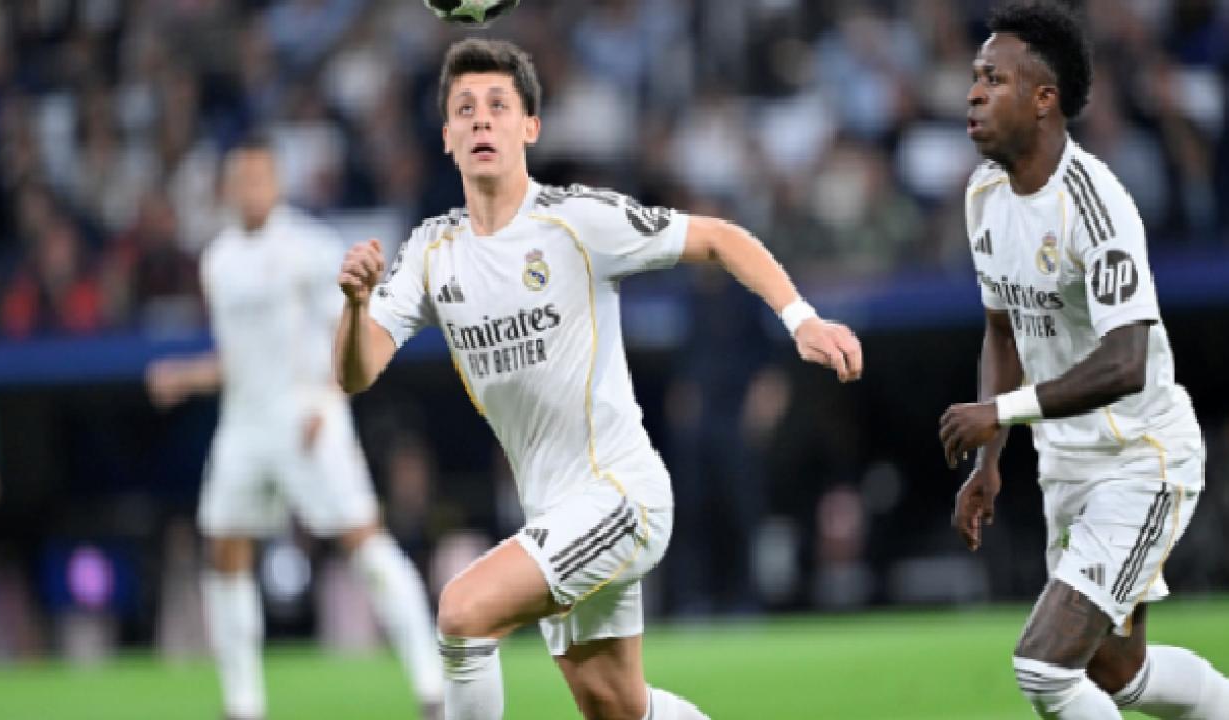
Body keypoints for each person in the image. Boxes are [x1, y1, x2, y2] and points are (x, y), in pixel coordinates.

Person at [335, 38, 862, 720]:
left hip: (620, 495)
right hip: (552, 512)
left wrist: (802, 320)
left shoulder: (577, 221)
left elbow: (719, 237)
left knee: (463, 612)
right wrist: (355, 307)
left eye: (498, 105)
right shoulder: (431, 253)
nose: (481, 119)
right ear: (446, 136)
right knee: (616, 708)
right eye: (464, 108)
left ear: (530, 127)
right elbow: (356, 372)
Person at [939, 3, 1229, 718]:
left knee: (1044, 667)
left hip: (1141, 457)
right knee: (1119, 670)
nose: (974, 93)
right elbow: (1003, 332)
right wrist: (990, 460)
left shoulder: (1095, 205)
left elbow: (1125, 363)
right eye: (975, 76)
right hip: (1066, 465)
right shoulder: (983, 194)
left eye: (994, 79)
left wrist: (1000, 410)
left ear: (1043, 98)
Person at [146, 139, 443, 720]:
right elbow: (238, 359)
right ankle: (243, 703)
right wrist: (184, 377)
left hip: (308, 416)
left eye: (260, 179)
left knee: (364, 543)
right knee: (225, 549)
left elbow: (351, 333)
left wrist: (327, 400)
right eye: (241, 180)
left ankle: (433, 685)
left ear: (277, 184)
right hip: (243, 426)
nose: (251, 190)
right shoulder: (218, 260)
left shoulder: (311, 248)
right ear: (228, 189)